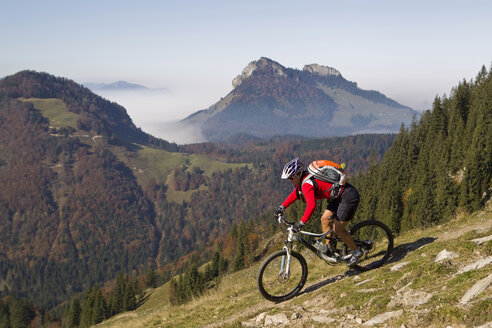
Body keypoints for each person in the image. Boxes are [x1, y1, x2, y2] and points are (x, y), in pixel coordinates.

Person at [275, 157, 363, 267]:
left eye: (291, 178)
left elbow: (311, 206)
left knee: (338, 229)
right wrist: (281, 207)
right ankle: (330, 249)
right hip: (337, 198)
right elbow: (295, 194)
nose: (290, 180)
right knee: (325, 219)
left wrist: (301, 223)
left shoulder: (307, 184)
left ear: (298, 174)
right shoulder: (303, 181)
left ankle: (357, 251)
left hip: (348, 197)